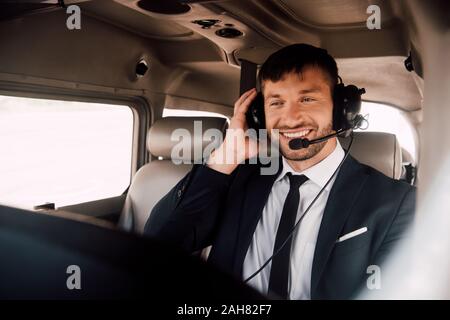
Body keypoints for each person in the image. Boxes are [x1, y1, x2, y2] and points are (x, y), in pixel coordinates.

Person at [144, 43, 416, 299]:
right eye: (276, 103)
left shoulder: (395, 203)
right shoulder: (236, 180)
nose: (290, 118)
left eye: (307, 99)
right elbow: (158, 246)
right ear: (259, 116)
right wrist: (227, 155)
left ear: (340, 109)